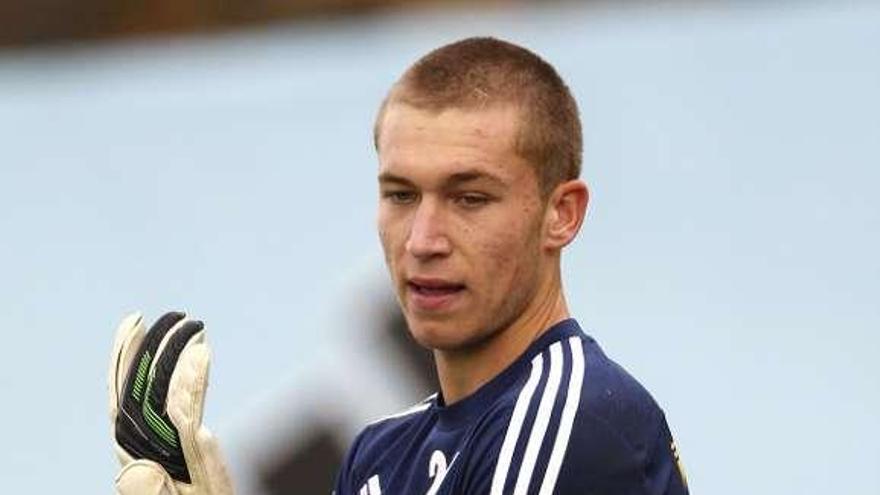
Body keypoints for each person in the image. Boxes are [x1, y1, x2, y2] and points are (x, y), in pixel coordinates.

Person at [108, 37, 689, 495]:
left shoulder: (570, 419)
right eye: (401, 195)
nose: (423, 240)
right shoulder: (378, 453)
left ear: (561, 215)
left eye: (470, 198)